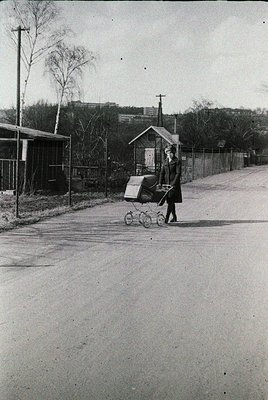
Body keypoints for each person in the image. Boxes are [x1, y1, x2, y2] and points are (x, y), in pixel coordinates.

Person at [159, 144, 182, 223]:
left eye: (170, 152)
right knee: (170, 201)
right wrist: (160, 183)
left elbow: (178, 173)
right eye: (168, 152)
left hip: (174, 184)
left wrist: (173, 183)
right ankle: (174, 216)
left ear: (173, 153)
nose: (169, 154)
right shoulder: (165, 161)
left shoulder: (177, 161)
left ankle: (167, 218)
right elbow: (162, 173)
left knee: (171, 200)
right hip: (166, 184)